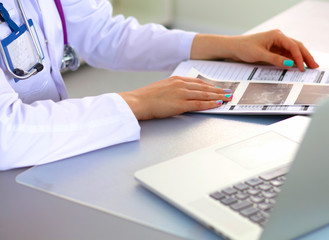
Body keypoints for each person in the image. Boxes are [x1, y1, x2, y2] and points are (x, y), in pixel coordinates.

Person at [0, 0, 318, 170]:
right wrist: (138, 102)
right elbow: (6, 137)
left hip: (47, 154)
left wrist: (229, 46)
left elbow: (103, 34)